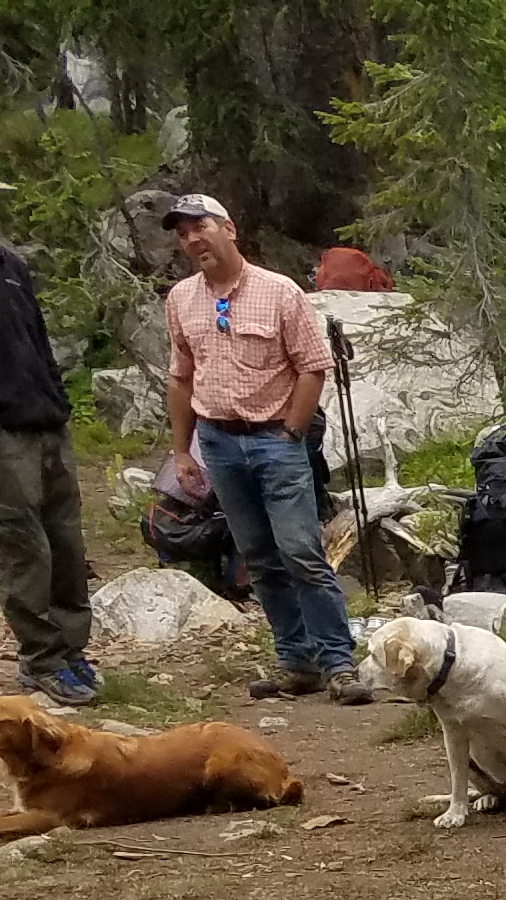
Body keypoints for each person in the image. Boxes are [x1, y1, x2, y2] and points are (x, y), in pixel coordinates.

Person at [159, 195, 365, 705]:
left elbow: (312, 365)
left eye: (200, 226)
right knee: (258, 556)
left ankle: (339, 663)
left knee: (301, 551)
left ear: (229, 228)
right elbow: (180, 377)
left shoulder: (280, 292)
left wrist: (292, 431)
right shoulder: (181, 299)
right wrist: (182, 452)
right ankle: (296, 662)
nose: (192, 240)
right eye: (182, 233)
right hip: (218, 442)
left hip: (275, 440)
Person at [0, 155, 94, 705]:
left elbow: (38, 341)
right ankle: (39, 659)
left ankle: (71, 648)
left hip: (48, 423)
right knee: (23, 546)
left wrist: (59, 399)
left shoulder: (11, 264)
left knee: (66, 541)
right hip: (2, 432)